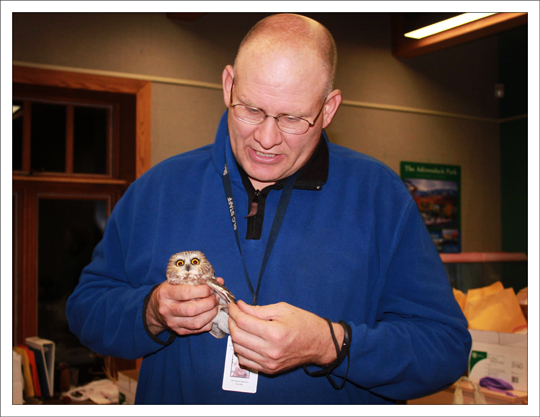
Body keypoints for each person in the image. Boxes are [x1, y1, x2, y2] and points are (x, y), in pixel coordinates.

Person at [66, 13, 471, 404]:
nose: (266, 138)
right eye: (251, 110)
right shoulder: (157, 189)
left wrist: (330, 344)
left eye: (293, 118)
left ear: (328, 109)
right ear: (228, 85)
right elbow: (87, 310)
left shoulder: (380, 197)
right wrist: (151, 311)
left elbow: (445, 347)